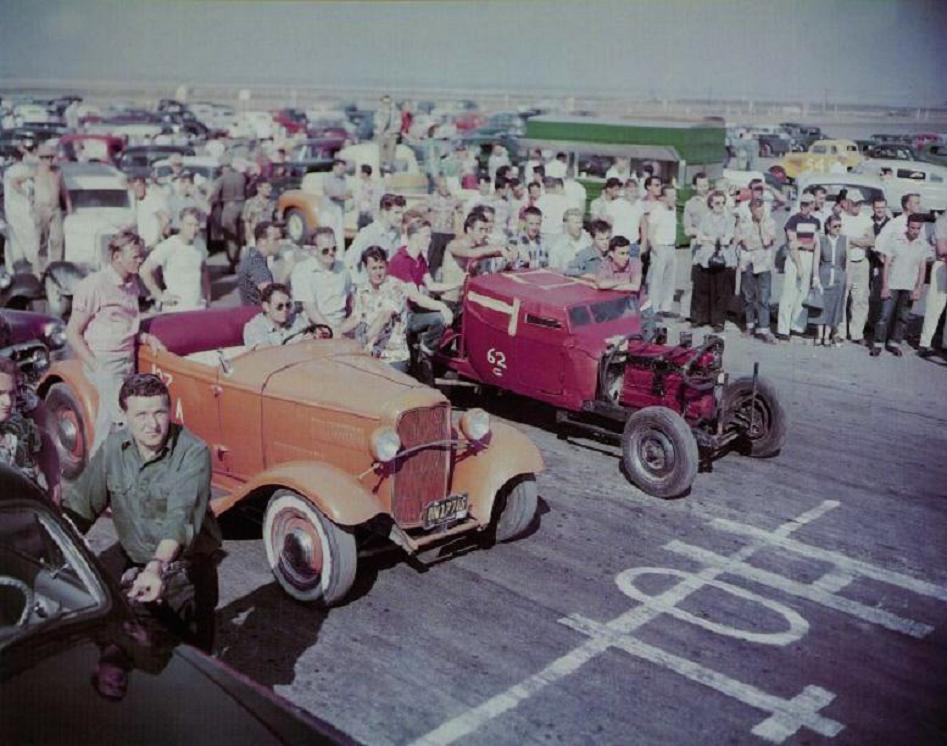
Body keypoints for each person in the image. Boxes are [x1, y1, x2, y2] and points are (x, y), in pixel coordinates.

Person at [64, 373, 222, 653]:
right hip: (140, 572)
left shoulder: (193, 452)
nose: (152, 424)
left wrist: (157, 565)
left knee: (192, 663)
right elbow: (79, 507)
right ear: (124, 415)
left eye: (159, 413)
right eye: (141, 415)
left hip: (185, 573)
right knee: (139, 659)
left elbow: (181, 517)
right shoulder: (114, 448)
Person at [65, 231, 166, 456]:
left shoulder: (132, 283)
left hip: (127, 362)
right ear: (116, 256)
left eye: (142, 256)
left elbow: (125, 324)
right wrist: (97, 366)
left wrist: (146, 337)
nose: (140, 261)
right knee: (125, 420)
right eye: (135, 256)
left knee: (107, 425)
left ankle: (99, 478)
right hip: (104, 363)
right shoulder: (93, 285)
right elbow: (72, 332)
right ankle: (102, 479)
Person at [387, 219, 457, 354]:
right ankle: (425, 352)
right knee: (440, 318)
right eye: (426, 236)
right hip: (400, 316)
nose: (430, 240)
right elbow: (416, 297)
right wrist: (442, 307)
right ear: (414, 237)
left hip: (412, 310)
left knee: (454, 311)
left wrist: (458, 284)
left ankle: (432, 347)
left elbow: (431, 285)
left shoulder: (419, 259)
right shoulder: (401, 260)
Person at [340, 247, 412, 372]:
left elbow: (384, 317)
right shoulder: (362, 289)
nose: (378, 273)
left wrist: (362, 341)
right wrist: (335, 332)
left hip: (393, 357)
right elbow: (356, 317)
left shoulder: (395, 287)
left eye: (381, 267)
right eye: (374, 268)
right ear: (365, 268)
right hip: (370, 356)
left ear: (386, 266)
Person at [0, 357, 60, 501]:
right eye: (0, 393)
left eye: (12, 393)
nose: (7, 402)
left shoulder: (16, 423)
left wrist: (55, 487)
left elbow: (45, 439)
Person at [872, 214, 932, 357]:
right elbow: (886, 265)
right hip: (892, 283)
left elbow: (922, 269)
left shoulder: (923, 245)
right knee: (884, 316)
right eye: (912, 227)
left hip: (909, 286)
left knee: (902, 317)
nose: (914, 231)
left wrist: (918, 288)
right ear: (907, 226)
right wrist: (885, 286)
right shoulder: (895, 240)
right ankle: (878, 343)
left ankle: (894, 343)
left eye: (918, 228)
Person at [139, 207, 210, 312]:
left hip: (197, 307)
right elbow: (144, 270)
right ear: (181, 224)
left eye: (196, 225)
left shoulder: (200, 244)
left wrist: (207, 298)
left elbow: (204, 271)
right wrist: (159, 295)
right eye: (189, 225)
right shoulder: (169, 245)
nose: (193, 229)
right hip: (176, 309)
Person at [440, 211, 515, 308]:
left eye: (486, 230)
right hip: (449, 302)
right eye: (480, 230)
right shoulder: (454, 245)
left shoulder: (480, 246)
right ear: (469, 230)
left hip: (467, 301)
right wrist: (499, 248)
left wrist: (511, 250)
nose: (484, 234)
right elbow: (471, 253)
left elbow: (496, 250)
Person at [776, 193, 821, 340]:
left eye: (811, 204)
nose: (808, 207)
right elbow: (792, 244)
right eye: (806, 204)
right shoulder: (793, 220)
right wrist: (800, 266)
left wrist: (803, 244)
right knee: (789, 292)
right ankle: (783, 328)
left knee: (803, 293)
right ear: (801, 204)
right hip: (795, 258)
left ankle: (797, 326)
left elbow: (815, 244)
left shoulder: (816, 221)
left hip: (809, 255)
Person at [291, 226, 352, 334]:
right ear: (314, 250)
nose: (331, 253)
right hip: (314, 327)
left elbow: (349, 300)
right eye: (325, 250)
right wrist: (331, 330)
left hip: (341, 326)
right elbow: (309, 308)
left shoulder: (343, 269)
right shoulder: (302, 271)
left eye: (334, 248)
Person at [692, 190, 737, 332]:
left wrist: (709, 238)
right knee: (702, 289)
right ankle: (701, 318)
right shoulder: (705, 217)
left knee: (720, 291)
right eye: (717, 203)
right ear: (711, 203)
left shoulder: (729, 218)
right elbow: (699, 236)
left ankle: (718, 321)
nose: (720, 205)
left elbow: (727, 239)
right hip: (704, 257)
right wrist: (713, 238)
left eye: (723, 203)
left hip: (721, 258)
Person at [735, 199, 777, 342]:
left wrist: (760, 226)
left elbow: (767, 241)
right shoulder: (744, 222)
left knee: (764, 297)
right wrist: (755, 244)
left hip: (764, 263)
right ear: (751, 210)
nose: (760, 212)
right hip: (748, 262)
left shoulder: (770, 222)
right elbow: (744, 243)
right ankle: (750, 325)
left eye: (762, 210)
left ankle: (764, 328)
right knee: (748, 296)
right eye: (756, 210)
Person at [838, 196, 875, 345]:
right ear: (847, 203)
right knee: (842, 298)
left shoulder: (865, 219)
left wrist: (851, 240)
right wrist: (860, 241)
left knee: (860, 299)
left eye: (859, 203)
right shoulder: (840, 218)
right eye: (854, 203)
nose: (857, 205)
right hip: (844, 262)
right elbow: (839, 240)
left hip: (861, 262)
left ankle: (857, 333)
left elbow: (871, 240)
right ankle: (839, 332)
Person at [346, 193, 405, 284]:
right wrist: (360, 284)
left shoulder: (397, 233)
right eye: (396, 213)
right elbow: (349, 262)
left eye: (401, 213)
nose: (400, 217)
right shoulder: (368, 233)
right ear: (384, 212)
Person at [32, 141, 71, 271]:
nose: (49, 160)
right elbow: (16, 181)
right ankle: (41, 269)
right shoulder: (35, 172)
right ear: (41, 159)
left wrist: (69, 208)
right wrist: (28, 198)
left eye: (51, 157)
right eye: (46, 157)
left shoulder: (57, 172)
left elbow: (64, 192)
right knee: (41, 241)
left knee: (57, 240)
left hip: (55, 209)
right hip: (40, 209)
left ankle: (56, 268)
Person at [810, 217, 848, 347]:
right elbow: (816, 260)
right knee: (821, 305)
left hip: (838, 275)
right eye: (835, 226)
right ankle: (819, 334)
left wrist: (846, 278)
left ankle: (827, 335)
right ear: (828, 227)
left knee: (834, 306)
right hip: (824, 274)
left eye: (839, 226)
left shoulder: (844, 240)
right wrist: (815, 277)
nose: (837, 229)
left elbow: (846, 262)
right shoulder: (821, 240)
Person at [2, 144, 40, 274]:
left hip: (11, 212)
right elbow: (17, 185)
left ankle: (11, 270)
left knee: (12, 242)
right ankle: (34, 271)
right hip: (23, 212)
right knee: (30, 242)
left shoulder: (8, 171)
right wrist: (28, 196)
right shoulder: (24, 170)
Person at [242, 283, 311, 348]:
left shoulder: (296, 319)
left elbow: (309, 341)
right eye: (279, 306)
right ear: (266, 307)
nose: (285, 309)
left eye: (288, 305)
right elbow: (268, 353)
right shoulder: (254, 327)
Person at [681, 172, 712, 321]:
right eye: (700, 185)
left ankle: (708, 313)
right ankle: (686, 312)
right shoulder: (690, 204)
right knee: (692, 279)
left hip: (713, 245)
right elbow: (687, 229)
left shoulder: (716, 200)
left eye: (706, 185)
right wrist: (698, 233)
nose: (703, 188)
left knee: (711, 280)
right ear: (694, 186)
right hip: (697, 245)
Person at [646, 185, 678, 317]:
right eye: (671, 196)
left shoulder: (673, 210)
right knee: (656, 280)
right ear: (663, 197)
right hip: (660, 248)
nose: (674, 198)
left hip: (671, 247)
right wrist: (656, 250)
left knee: (669, 279)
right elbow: (650, 233)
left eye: (675, 196)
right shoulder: (657, 210)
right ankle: (653, 308)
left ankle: (666, 307)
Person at [918, 210, 947, 357]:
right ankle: (925, 343)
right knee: (935, 306)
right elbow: (942, 249)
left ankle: (945, 344)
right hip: (943, 266)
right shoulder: (943, 220)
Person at [209, 155, 246, 265]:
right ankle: (238, 257)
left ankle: (232, 261)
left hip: (229, 206)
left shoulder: (222, 179)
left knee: (230, 235)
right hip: (242, 205)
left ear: (223, 168)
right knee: (240, 235)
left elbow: (214, 195)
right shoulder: (241, 177)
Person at [424, 175, 463, 278]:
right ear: (437, 187)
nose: (445, 189)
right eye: (442, 186)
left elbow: (460, 213)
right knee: (434, 260)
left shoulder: (454, 199)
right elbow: (424, 212)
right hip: (436, 232)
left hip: (449, 233)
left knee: (447, 260)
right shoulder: (432, 198)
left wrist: (458, 230)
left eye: (446, 186)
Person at [237, 221, 282, 307]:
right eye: (276, 239)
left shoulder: (253, 256)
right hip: (256, 315)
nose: (280, 243)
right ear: (262, 241)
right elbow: (271, 295)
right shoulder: (256, 263)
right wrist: (287, 270)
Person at [131, 175, 170, 250]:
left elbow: (165, 220)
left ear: (145, 185)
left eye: (140, 186)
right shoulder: (139, 202)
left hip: (153, 245)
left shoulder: (151, 200)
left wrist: (156, 241)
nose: (137, 189)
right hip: (145, 245)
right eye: (135, 187)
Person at [239, 179, 275, 246]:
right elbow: (246, 220)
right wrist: (248, 233)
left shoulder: (273, 203)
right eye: (267, 187)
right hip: (255, 235)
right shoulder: (250, 202)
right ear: (259, 188)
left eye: (270, 187)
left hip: (270, 235)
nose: (270, 189)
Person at [535, 177, 571, 244]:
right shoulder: (565, 201)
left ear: (544, 187)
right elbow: (567, 220)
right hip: (558, 234)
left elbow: (535, 217)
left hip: (543, 233)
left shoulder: (540, 200)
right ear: (555, 187)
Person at [374, 95, 399, 171]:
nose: (386, 104)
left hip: (392, 135)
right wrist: (386, 116)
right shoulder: (378, 113)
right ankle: (381, 167)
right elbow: (379, 125)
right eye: (385, 102)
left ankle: (389, 167)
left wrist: (391, 131)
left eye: (388, 102)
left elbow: (398, 125)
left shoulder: (396, 113)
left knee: (391, 152)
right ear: (381, 103)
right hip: (381, 135)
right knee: (381, 151)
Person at [354, 164, 381, 230]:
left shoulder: (374, 185)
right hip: (361, 215)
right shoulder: (361, 185)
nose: (359, 174)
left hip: (370, 215)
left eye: (360, 172)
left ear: (365, 173)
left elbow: (376, 200)